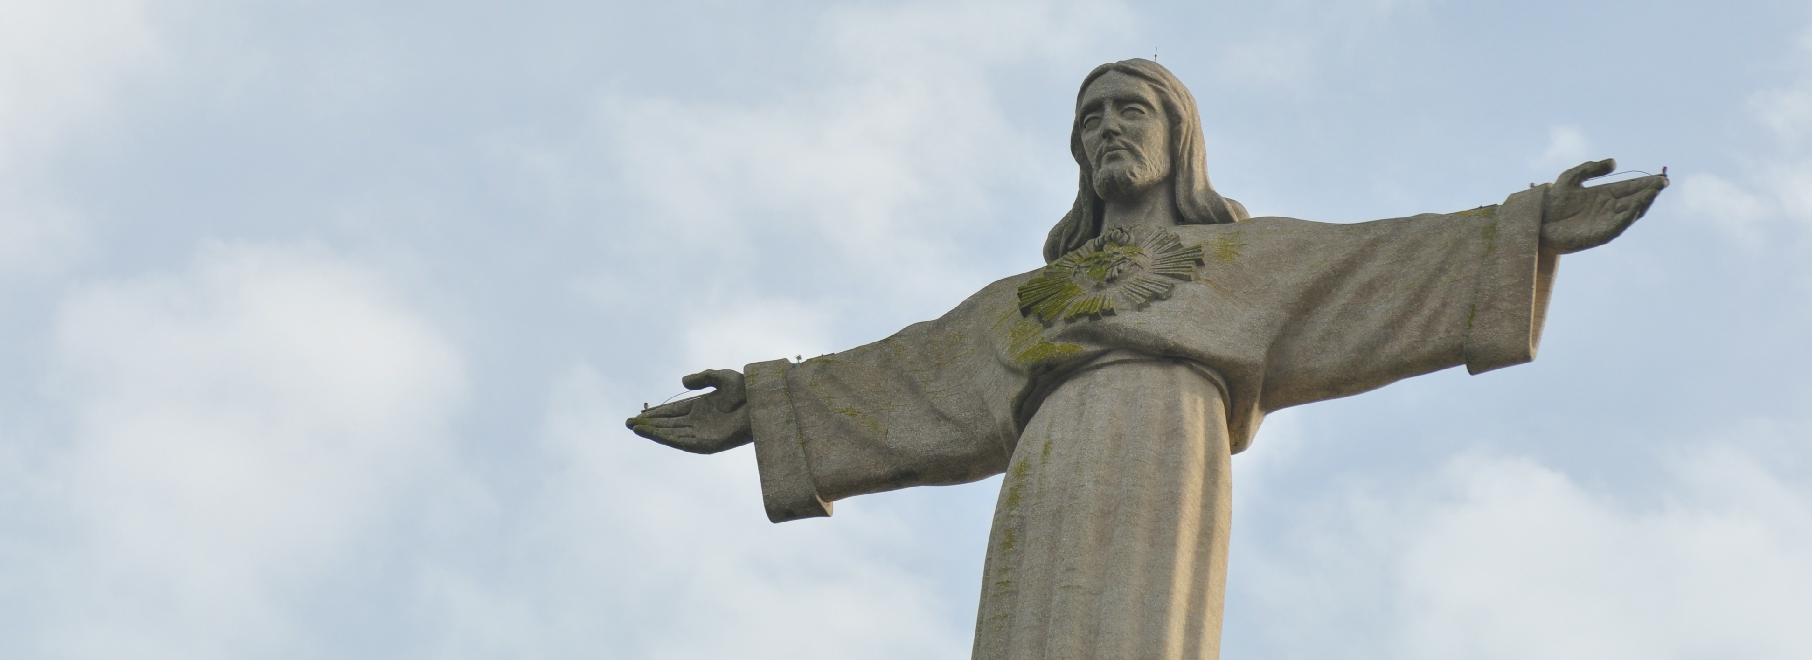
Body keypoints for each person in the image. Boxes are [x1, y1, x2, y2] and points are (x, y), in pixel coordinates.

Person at [626, 58, 1666, 660]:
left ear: (1179, 140)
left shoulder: (1244, 262)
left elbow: (1381, 267)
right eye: (1091, 118)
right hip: (1048, 462)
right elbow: (905, 379)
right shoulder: (1026, 305)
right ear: (1076, 155)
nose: (1109, 128)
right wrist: (770, 405)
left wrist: (1524, 230)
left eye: (1133, 110)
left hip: (1167, 443)